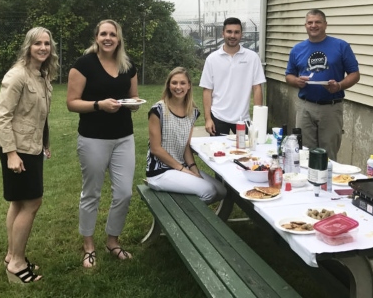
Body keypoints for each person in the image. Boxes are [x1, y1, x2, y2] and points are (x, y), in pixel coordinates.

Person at [67, 19, 138, 268]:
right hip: (93, 138)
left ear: (119, 39)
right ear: (96, 37)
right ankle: (88, 246)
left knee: (124, 193)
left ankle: (112, 241)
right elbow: (72, 102)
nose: (108, 38)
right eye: (103, 34)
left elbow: (133, 98)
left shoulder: (128, 65)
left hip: (123, 138)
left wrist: (133, 104)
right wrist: (99, 105)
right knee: (92, 193)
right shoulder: (84, 64)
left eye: (113, 34)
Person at [0, 27, 58, 284]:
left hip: (32, 147)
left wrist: (44, 143)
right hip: (17, 148)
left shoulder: (41, 75)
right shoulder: (17, 75)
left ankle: (12, 255)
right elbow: (3, 116)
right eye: (37, 43)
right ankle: (17, 264)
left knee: (18, 202)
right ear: (28, 46)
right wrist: (11, 153)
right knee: (32, 203)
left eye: (47, 44)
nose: (43, 48)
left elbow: (39, 116)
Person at [285, 9, 360, 161]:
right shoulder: (297, 49)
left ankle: (327, 183)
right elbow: (288, 76)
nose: (314, 25)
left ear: (325, 25)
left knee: (328, 155)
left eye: (318, 22)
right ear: (305, 25)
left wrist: (339, 86)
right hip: (305, 107)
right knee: (304, 152)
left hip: (331, 108)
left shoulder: (341, 46)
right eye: (310, 22)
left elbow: (355, 74)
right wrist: (296, 81)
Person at [146, 67, 226, 203]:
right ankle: (180, 214)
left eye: (182, 83)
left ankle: (185, 208)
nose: (178, 87)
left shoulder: (192, 112)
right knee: (209, 191)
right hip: (160, 171)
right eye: (174, 83)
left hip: (181, 165)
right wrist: (182, 169)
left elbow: (185, 146)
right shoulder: (158, 110)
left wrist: (193, 168)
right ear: (168, 85)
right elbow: (156, 149)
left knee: (221, 191)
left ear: (189, 85)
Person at [199, 17, 266, 135]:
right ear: (223, 33)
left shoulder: (252, 57)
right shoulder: (212, 59)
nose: (232, 35)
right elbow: (207, 90)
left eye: (236, 32)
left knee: (246, 152)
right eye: (229, 31)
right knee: (218, 152)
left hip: (243, 118)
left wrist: (258, 120)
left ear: (241, 34)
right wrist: (208, 119)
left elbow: (257, 88)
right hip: (218, 117)